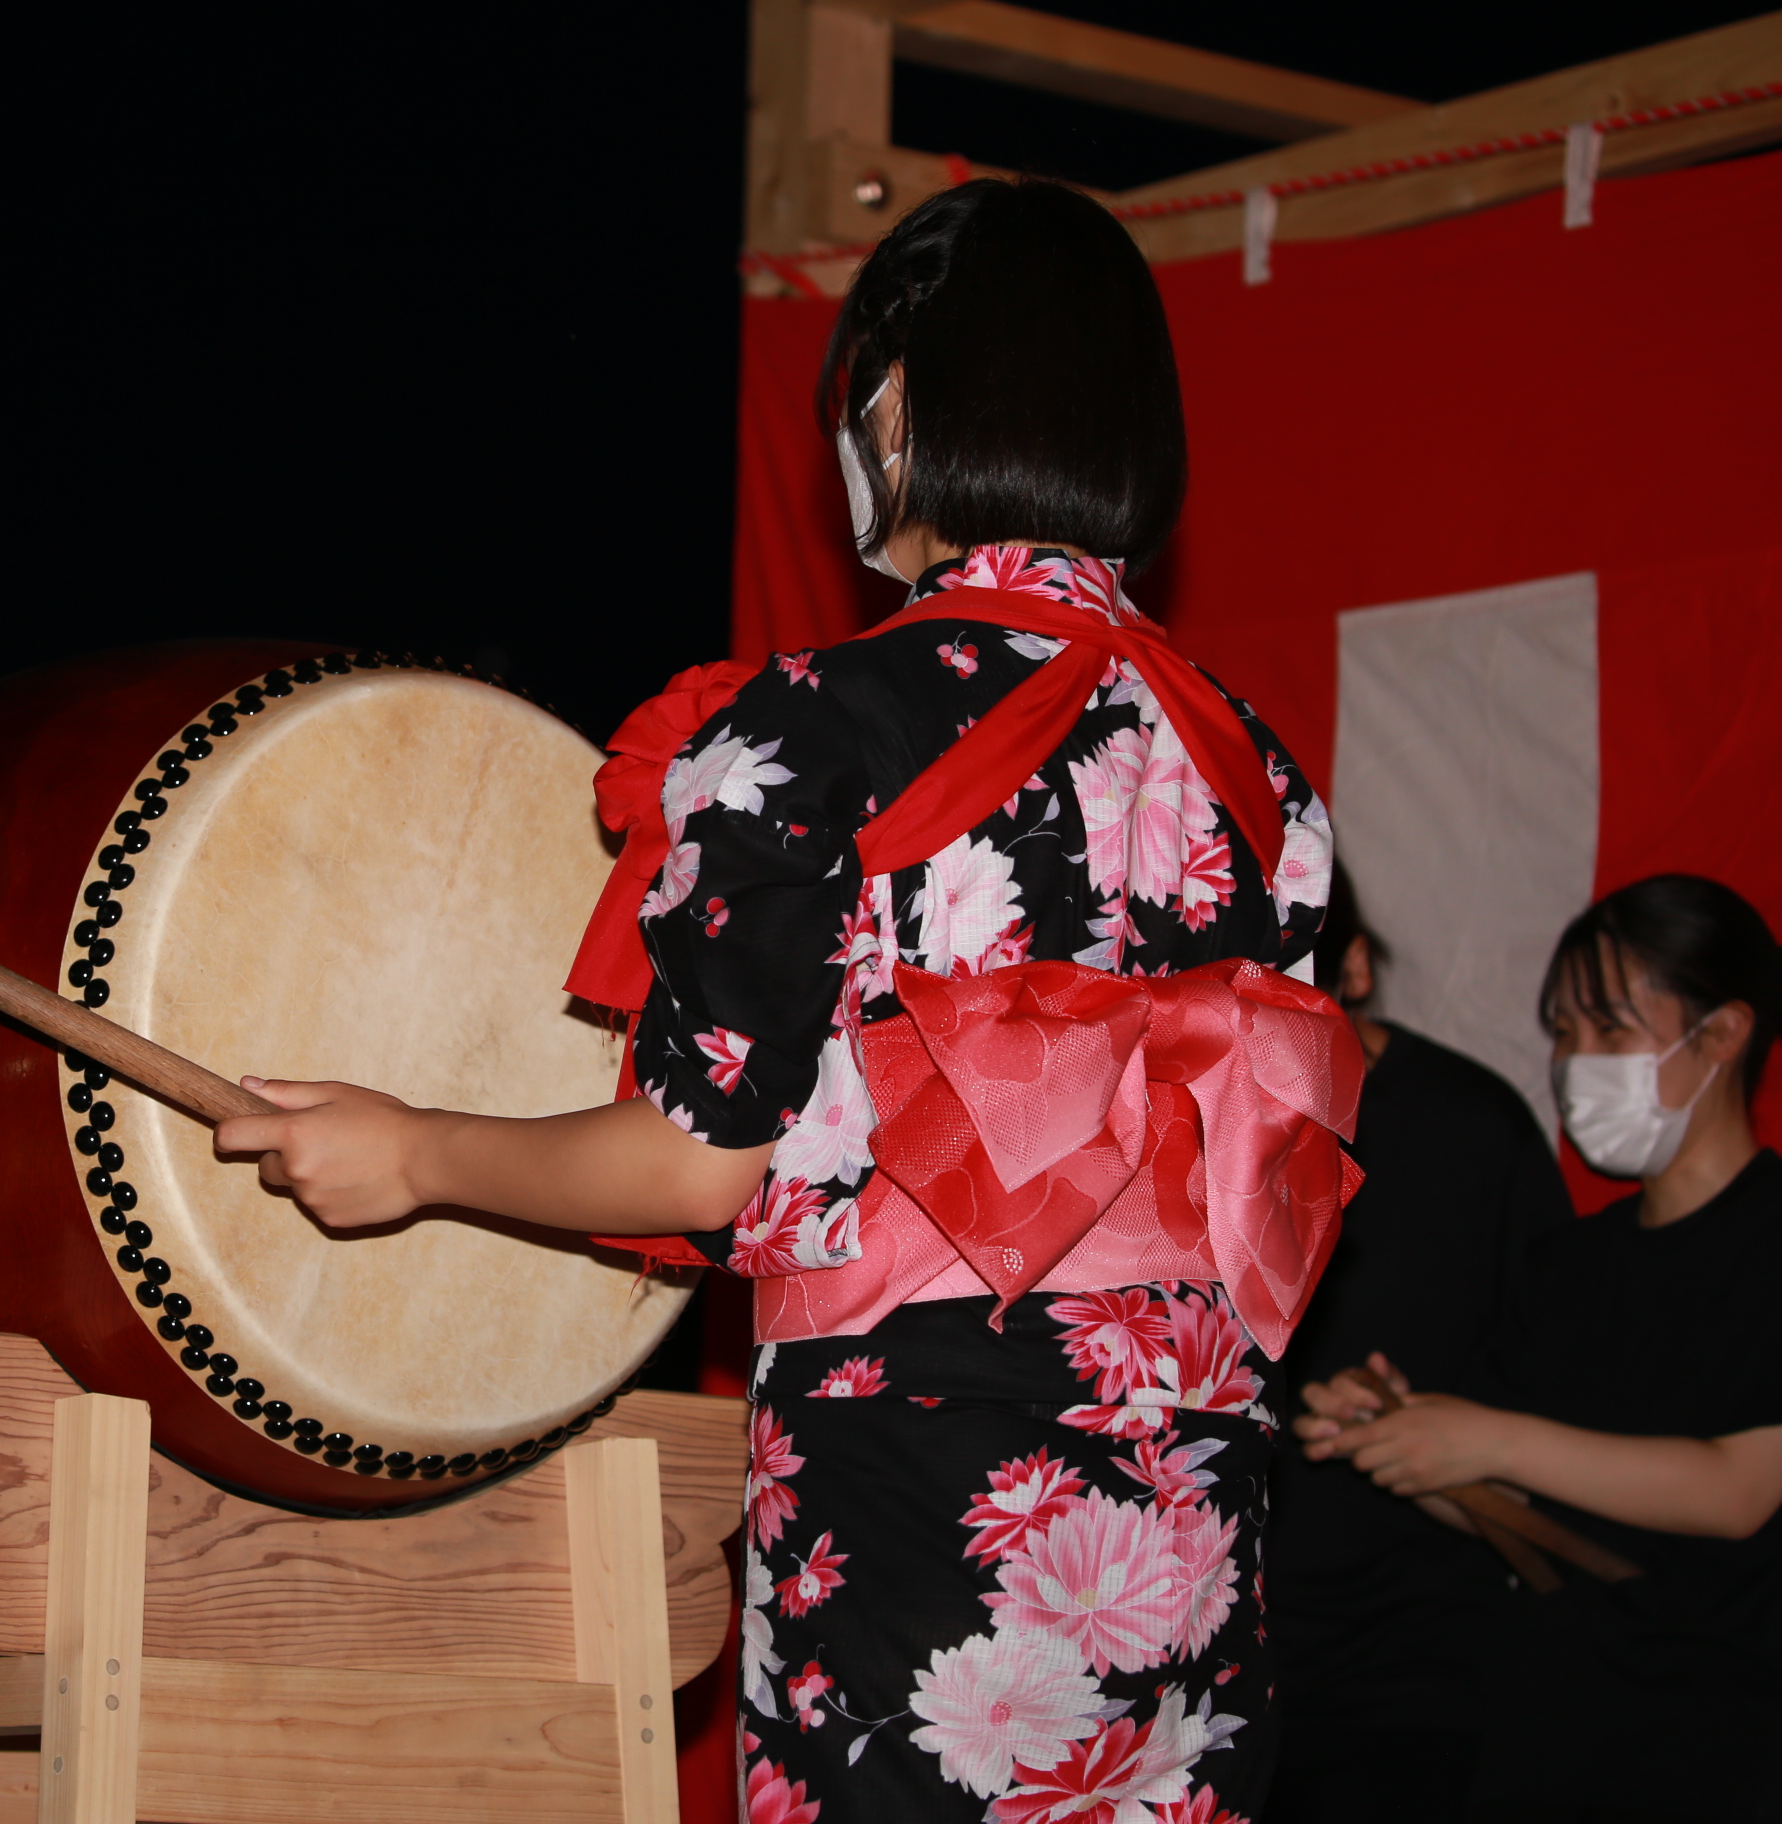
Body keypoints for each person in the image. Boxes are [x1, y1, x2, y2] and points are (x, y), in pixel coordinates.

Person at [216, 179, 1356, 1822]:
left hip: (928, 1490)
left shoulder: (813, 725)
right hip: (1184, 1501)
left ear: (891, 404)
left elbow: (701, 1160)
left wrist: (413, 1150)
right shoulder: (1259, 774)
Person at [1296, 874, 1781, 1821]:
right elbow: (1520, 1511)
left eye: (1608, 1031)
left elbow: (1739, 1490)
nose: (1573, 1063)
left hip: (1720, 1744)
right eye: (1563, 1033)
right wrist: (1403, 1437)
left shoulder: (1767, 1240)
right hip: (1552, 1735)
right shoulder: (1569, 1264)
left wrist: (1487, 1441)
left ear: (1722, 1034)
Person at [1262, 873, 1573, 1820]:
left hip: (1415, 1678)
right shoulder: (1181, 1123)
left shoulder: (1470, 1131)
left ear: (1356, 966)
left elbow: (1561, 1391)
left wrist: (1426, 1429)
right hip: (1202, 1651)